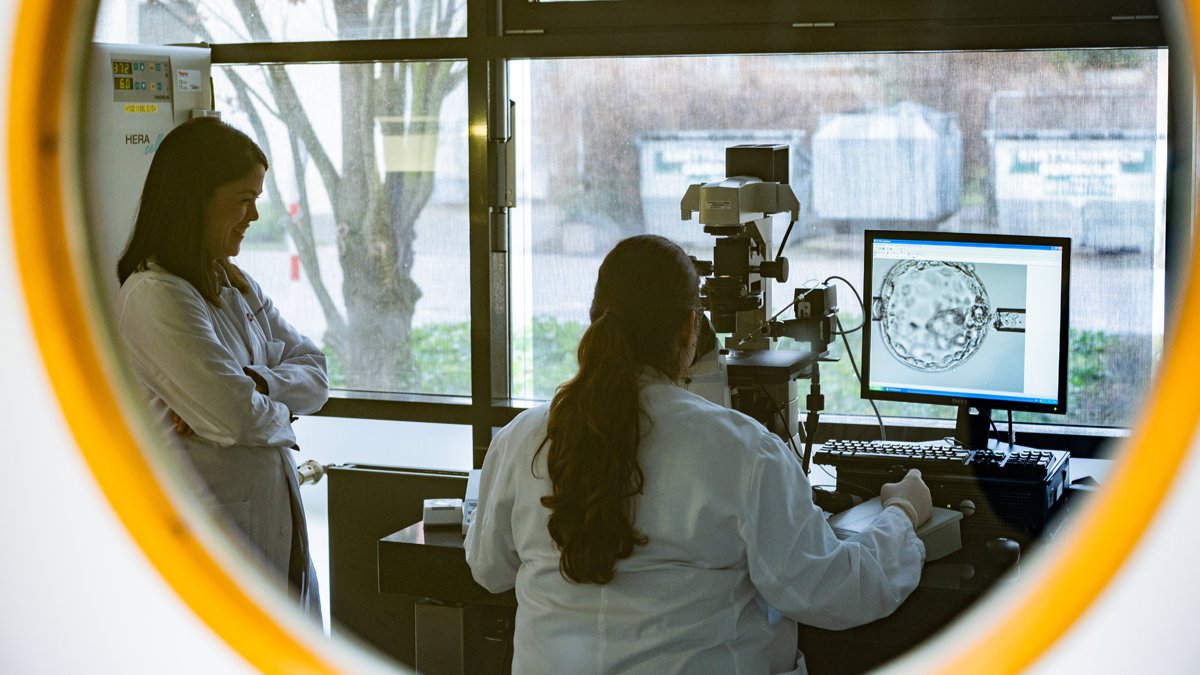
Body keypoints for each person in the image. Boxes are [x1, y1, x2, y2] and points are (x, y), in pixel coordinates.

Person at [466, 234, 931, 674]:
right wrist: (902, 514)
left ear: (595, 317)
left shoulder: (522, 438)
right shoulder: (745, 452)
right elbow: (831, 592)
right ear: (691, 327)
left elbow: (489, 570)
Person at [116, 117, 327, 619]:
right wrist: (270, 407)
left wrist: (255, 383)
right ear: (196, 199)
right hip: (212, 539)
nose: (254, 214)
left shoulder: (234, 283)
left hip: (271, 528)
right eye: (243, 199)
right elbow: (235, 418)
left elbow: (317, 375)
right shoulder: (156, 295)